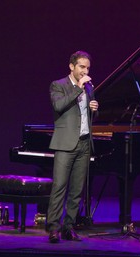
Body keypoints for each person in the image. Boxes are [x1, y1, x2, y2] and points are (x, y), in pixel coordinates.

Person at [46, 51, 98, 243]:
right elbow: (58, 106)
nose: (85, 71)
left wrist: (94, 109)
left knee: (77, 190)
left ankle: (69, 227)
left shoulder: (90, 88)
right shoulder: (58, 85)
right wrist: (78, 88)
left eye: (87, 68)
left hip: (84, 143)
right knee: (59, 186)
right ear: (71, 66)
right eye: (81, 67)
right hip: (65, 143)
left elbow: (90, 118)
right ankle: (53, 228)